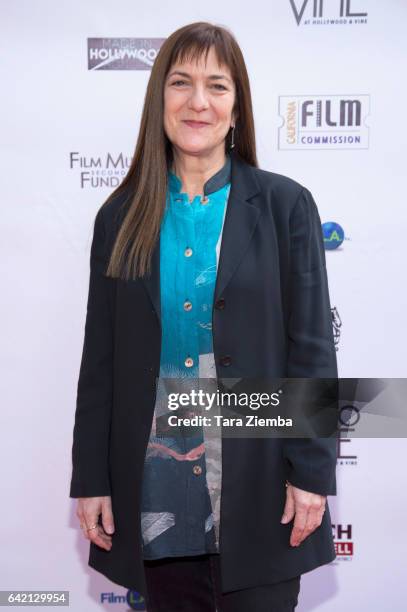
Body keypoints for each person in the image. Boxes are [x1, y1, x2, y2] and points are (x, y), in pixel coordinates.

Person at [70, 21, 338, 612]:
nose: (198, 101)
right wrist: (90, 479)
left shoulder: (285, 206)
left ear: (236, 105)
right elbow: (100, 362)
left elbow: (312, 349)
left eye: (217, 86)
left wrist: (313, 473)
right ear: (158, 101)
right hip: (154, 496)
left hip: (262, 493)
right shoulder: (119, 218)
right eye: (181, 83)